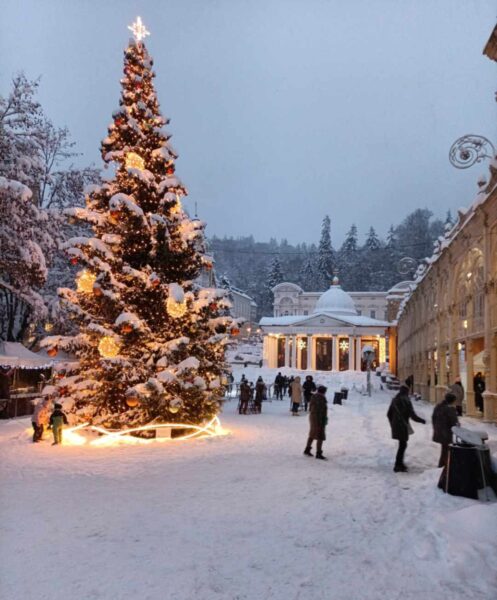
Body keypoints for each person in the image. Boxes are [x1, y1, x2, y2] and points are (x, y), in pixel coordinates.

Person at [387, 385, 426, 472]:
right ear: (406, 392)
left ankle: (400, 463)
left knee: (402, 444)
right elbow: (413, 415)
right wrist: (422, 420)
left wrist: (393, 423)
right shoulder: (406, 400)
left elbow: (389, 414)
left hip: (397, 425)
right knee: (403, 445)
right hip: (402, 425)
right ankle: (398, 465)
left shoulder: (395, 400)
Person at [432, 392, 459, 468]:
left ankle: (443, 465)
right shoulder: (450, 409)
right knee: (446, 450)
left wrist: (436, 427)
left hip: (438, 431)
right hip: (446, 432)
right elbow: (454, 422)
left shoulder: (438, 407)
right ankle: (443, 466)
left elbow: (433, 418)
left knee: (444, 449)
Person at [303, 385, 328, 460]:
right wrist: (322, 421)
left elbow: (311, 409)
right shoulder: (321, 399)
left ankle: (307, 450)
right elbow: (320, 411)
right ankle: (318, 453)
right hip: (318, 420)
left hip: (313, 419)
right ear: (323, 392)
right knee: (320, 436)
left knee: (312, 434)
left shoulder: (314, 397)